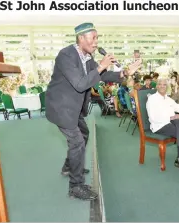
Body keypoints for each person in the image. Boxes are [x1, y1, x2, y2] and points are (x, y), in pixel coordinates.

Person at [45, 23, 141, 200]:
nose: (96, 42)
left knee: (84, 133)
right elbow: (81, 84)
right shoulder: (66, 55)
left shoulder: (87, 57)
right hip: (61, 107)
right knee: (77, 143)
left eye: (97, 38)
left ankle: (69, 166)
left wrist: (125, 72)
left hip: (73, 107)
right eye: (93, 38)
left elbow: (103, 76)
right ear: (81, 38)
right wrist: (101, 66)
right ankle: (76, 186)